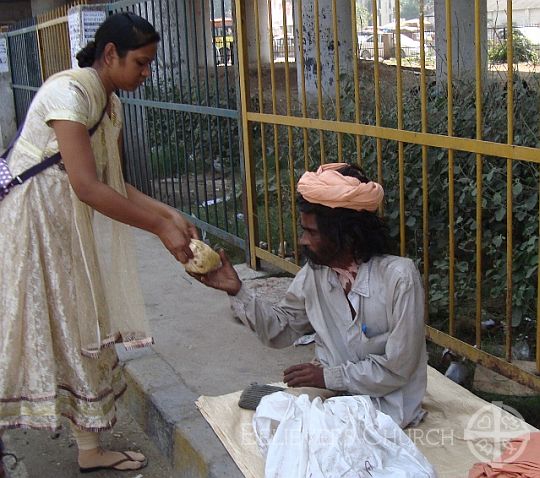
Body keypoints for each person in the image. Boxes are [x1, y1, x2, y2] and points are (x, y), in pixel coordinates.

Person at [0, 12, 197, 474]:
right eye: (142, 63)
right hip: (29, 229)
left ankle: (89, 449)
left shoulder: (110, 102)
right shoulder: (67, 94)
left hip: (64, 230)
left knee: (80, 329)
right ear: (111, 54)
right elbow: (89, 187)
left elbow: (115, 182)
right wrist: (157, 228)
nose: (147, 74)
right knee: (19, 329)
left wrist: (169, 214)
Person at [193, 162, 428, 428]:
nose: (303, 240)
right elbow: (280, 330)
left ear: (346, 235)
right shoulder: (315, 274)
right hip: (333, 396)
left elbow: (397, 368)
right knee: (277, 425)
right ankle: (296, 407)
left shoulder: (399, 278)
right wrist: (237, 291)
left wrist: (327, 377)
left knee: (303, 433)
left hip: (389, 406)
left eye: (311, 232)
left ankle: (297, 408)